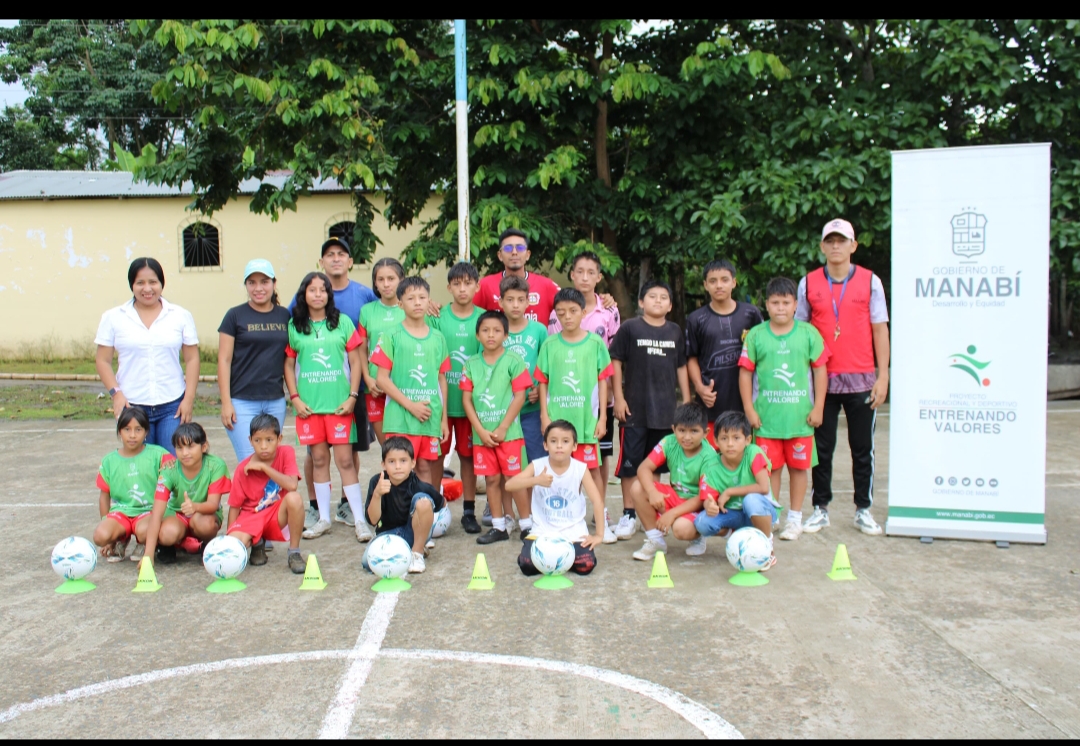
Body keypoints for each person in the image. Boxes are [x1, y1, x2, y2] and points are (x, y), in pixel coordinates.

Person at [797, 218, 891, 536]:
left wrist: (883, 376)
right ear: (822, 246)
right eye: (830, 241)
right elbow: (801, 332)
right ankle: (820, 508)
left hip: (862, 379)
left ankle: (863, 509)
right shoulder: (809, 283)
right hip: (821, 379)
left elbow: (880, 329)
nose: (836, 246)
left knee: (862, 448)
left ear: (853, 246)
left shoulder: (870, 281)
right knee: (821, 449)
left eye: (842, 241)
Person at [289, 237, 376, 531]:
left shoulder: (350, 313)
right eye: (311, 290)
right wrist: (295, 397)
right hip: (310, 406)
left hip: (343, 403)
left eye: (322, 290)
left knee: (347, 458)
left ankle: (357, 516)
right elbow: (288, 363)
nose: (317, 294)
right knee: (318, 458)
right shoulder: (295, 324)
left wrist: (352, 395)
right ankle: (322, 516)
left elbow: (356, 359)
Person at [739, 276, 829, 541]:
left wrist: (819, 406)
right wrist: (749, 409)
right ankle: (773, 516)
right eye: (775, 302)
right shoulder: (756, 335)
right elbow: (745, 374)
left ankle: (795, 519)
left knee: (799, 469)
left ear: (795, 305)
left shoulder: (809, 333)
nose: (780, 308)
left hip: (800, 419)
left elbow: (820, 371)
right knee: (770, 470)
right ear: (766, 304)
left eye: (786, 303)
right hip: (766, 420)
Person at [609, 280, 690, 542]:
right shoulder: (630, 327)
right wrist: (619, 398)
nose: (658, 301)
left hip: (665, 413)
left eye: (663, 297)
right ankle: (629, 514)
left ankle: (649, 512)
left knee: (654, 465)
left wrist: (686, 401)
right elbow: (616, 361)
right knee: (630, 466)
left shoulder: (675, 331)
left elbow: (681, 366)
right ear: (641, 302)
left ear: (670, 305)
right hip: (634, 410)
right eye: (652, 296)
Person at [95, 257, 200, 454]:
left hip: (172, 405)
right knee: (141, 464)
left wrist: (189, 399)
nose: (147, 289)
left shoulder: (180, 315)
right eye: (140, 283)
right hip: (132, 405)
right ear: (132, 285)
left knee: (172, 462)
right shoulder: (113, 317)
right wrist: (116, 394)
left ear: (161, 283)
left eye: (153, 282)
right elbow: (103, 360)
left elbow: (192, 359)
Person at [548, 251, 621, 518]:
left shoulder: (609, 310)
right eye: (580, 272)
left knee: (599, 455)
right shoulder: (558, 314)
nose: (585, 277)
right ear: (572, 275)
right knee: (568, 452)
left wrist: (614, 393)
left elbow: (614, 355)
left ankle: (600, 511)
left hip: (598, 398)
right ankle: (572, 510)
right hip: (567, 399)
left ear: (599, 277)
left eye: (591, 272)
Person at [461, 310, 534, 544]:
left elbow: (520, 396)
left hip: (509, 434)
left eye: (496, 330)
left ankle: (527, 525)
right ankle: (499, 526)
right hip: (483, 436)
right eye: (485, 330)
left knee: (514, 479)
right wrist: (480, 431)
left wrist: (503, 427)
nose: (490, 335)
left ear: (506, 334)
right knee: (491, 480)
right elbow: (466, 400)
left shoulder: (514, 360)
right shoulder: (471, 364)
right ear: (477, 335)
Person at [372, 276, 451, 488]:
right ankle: (401, 508)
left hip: (429, 417)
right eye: (411, 298)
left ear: (429, 301)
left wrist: (443, 419)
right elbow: (381, 379)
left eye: (422, 298)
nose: (417, 302)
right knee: (399, 469)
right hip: (399, 417)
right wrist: (411, 406)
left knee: (424, 466)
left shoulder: (438, 338)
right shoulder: (390, 335)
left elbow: (441, 379)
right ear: (400, 304)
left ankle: (424, 508)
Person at [505, 420, 605, 578]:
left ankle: (558, 560)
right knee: (526, 565)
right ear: (545, 445)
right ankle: (555, 560)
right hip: (542, 532)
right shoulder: (537, 465)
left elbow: (597, 501)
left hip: (573, 533)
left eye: (565, 441)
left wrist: (599, 535)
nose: (559, 446)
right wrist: (536, 480)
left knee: (586, 565)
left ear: (574, 446)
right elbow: (509, 485)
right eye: (553, 441)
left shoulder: (580, 468)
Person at [535, 288, 614, 482]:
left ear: (583, 312)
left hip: (587, 421)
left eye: (573, 311)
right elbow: (543, 382)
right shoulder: (549, 345)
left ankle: (597, 503)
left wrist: (603, 418)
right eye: (561, 313)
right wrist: (544, 416)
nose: (567, 317)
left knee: (592, 471)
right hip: (557, 420)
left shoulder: (596, 343)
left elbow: (602, 381)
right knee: (559, 470)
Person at [218, 259, 291, 462]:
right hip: (241, 402)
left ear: (274, 283)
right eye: (252, 282)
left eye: (264, 282)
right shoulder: (234, 316)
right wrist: (226, 403)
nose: (258, 288)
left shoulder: (284, 315)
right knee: (249, 460)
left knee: (270, 458)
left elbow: (289, 360)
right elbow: (224, 360)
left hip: (275, 400)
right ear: (246, 285)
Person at [684, 259, 763, 447]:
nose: (719, 285)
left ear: (734, 282)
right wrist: (700, 388)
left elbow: (764, 353)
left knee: (744, 458)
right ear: (705, 285)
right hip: (711, 404)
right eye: (713, 281)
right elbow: (691, 357)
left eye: (724, 280)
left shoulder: (751, 314)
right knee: (712, 458)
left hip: (747, 404)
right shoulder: (696, 319)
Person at [629, 402, 720, 561]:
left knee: (680, 529)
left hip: (698, 504)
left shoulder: (710, 457)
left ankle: (698, 536)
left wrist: (672, 514)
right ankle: (656, 540)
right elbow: (644, 468)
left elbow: (703, 498)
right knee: (638, 487)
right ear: (673, 429)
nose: (687, 437)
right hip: (675, 496)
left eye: (694, 431)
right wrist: (652, 492)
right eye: (682, 430)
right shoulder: (669, 442)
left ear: (706, 433)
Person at [690, 411, 778, 567]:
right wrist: (709, 506)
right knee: (702, 522)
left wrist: (729, 491)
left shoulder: (754, 453)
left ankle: (766, 546)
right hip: (733, 514)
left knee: (751, 500)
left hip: (759, 511)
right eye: (724, 438)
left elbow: (763, 487)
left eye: (736, 438)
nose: (730, 444)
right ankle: (735, 536)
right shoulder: (711, 465)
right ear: (716, 441)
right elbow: (707, 497)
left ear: (747, 440)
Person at [432, 262, 483, 521]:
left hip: (470, 405)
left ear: (477, 286)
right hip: (441, 404)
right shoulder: (436, 317)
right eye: (457, 284)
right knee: (436, 457)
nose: (462, 289)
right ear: (449, 287)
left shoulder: (484, 318)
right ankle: (434, 508)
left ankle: (469, 511)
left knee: (467, 456)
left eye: (468, 283)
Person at [92, 406, 174, 563]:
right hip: (121, 512)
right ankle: (119, 539)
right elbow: (104, 497)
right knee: (100, 536)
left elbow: (175, 478)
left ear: (146, 432)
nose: (132, 435)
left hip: (147, 512)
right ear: (119, 431)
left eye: (138, 429)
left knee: (145, 531)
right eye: (127, 429)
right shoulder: (109, 461)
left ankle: (143, 543)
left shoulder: (159, 454)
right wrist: (106, 522)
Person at [226, 414, 306, 573]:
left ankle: (294, 552)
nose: (263, 446)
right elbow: (234, 506)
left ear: (279, 439)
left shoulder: (286, 452)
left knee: (294, 498)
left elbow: (292, 485)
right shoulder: (243, 469)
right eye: (257, 440)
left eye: (269, 440)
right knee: (235, 545)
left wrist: (264, 467)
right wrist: (229, 540)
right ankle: (257, 544)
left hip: (275, 514)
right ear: (250, 440)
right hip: (251, 516)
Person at [145, 422, 231, 564]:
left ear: (204, 447)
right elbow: (157, 514)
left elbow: (213, 505)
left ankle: (206, 545)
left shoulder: (216, 466)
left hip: (203, 514)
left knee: (206, 524)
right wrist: (148, 555)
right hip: (177, 514)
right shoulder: (169, 470)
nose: (185, 453)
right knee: (167, 533)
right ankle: (172, 544)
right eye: (180, 447)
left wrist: (195, 507)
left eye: (190, 446)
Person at [363, 437, 449, 575]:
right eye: (391, 461)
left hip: (413, 533)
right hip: (388, 534)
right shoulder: (377, 482)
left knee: (423, 500)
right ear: (383, 464)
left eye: (403, 461)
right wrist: (377, 494)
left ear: (412, 463)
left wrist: (434, 525)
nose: (398, 466)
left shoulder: (419, 485)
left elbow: (442, 503)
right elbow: (372, 520)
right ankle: (407, 551)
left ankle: (417, 552)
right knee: (367, 563)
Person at [359, 258, 406, 445]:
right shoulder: (367, 311)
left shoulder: (411, 308)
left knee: (404, 447)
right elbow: (362, 348)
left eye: (391, 278)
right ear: (375, 283)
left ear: (401, 280)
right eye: (381, 279)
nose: (386, 284)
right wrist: (367, 378)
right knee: (387, 447)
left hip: (403, 386)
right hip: (375, 387)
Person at [473, 228, 564, 324]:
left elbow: (570, 310)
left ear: (528, 255)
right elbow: (468, 314)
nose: (514, 252)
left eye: (520, 248)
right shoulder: (485, 285)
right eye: (508, 248)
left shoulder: (546, 285)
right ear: (500, 255)